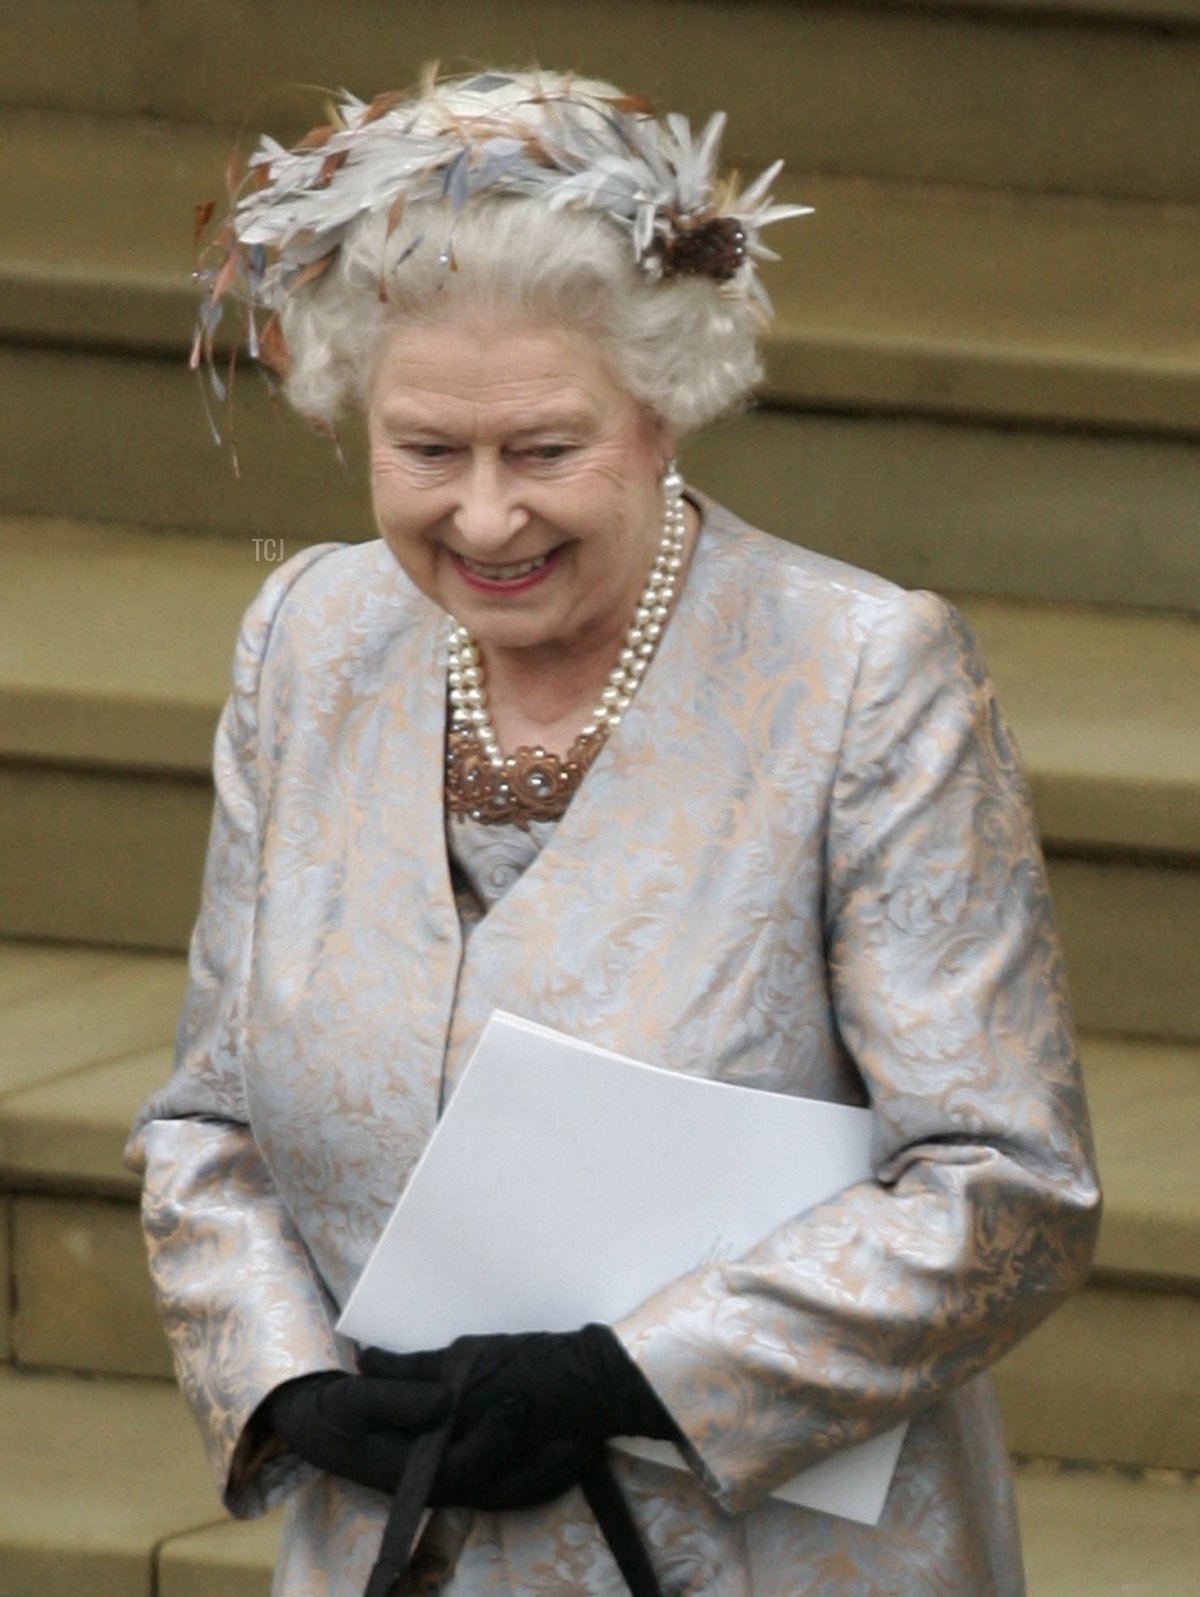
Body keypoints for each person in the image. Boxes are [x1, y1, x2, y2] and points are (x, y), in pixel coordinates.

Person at [127, 69, 1101, 1597]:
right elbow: (208, 1123)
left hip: (761, 1552)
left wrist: (634, 1376)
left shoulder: (859, 674)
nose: (488, 518)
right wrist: (287, 1381)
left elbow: (1005, 1187)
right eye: (428, 451)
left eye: (544, 449)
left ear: (660, 412)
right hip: (396, 1540)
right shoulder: (309, 638)